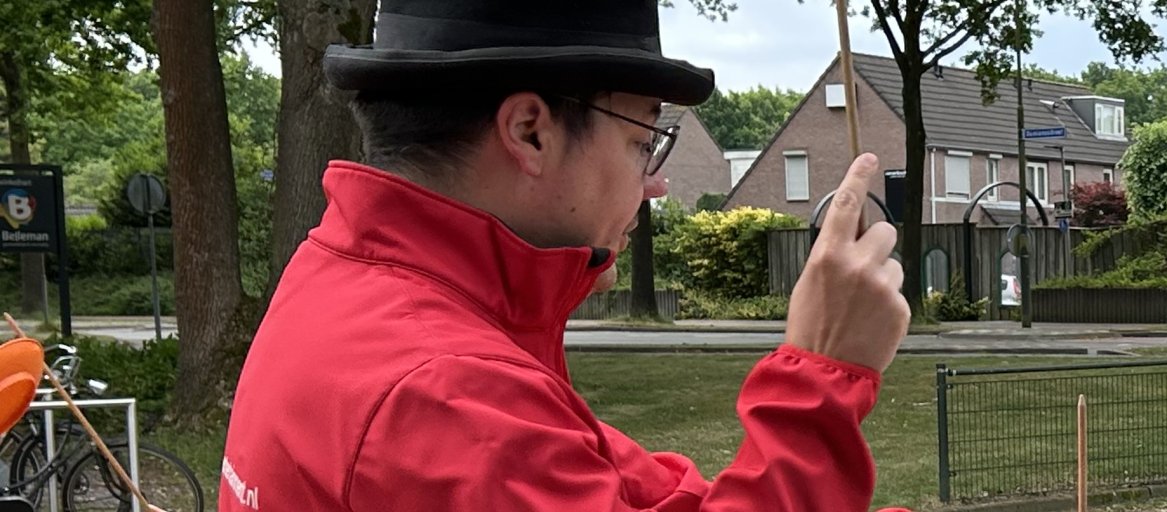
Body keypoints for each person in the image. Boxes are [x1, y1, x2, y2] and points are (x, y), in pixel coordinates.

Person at [219, 1, 911, 510]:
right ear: (530, 132)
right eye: (643, 142)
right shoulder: (450, 395)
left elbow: (602, 478)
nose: (655, 185)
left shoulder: (341, 278)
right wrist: (821, 376)